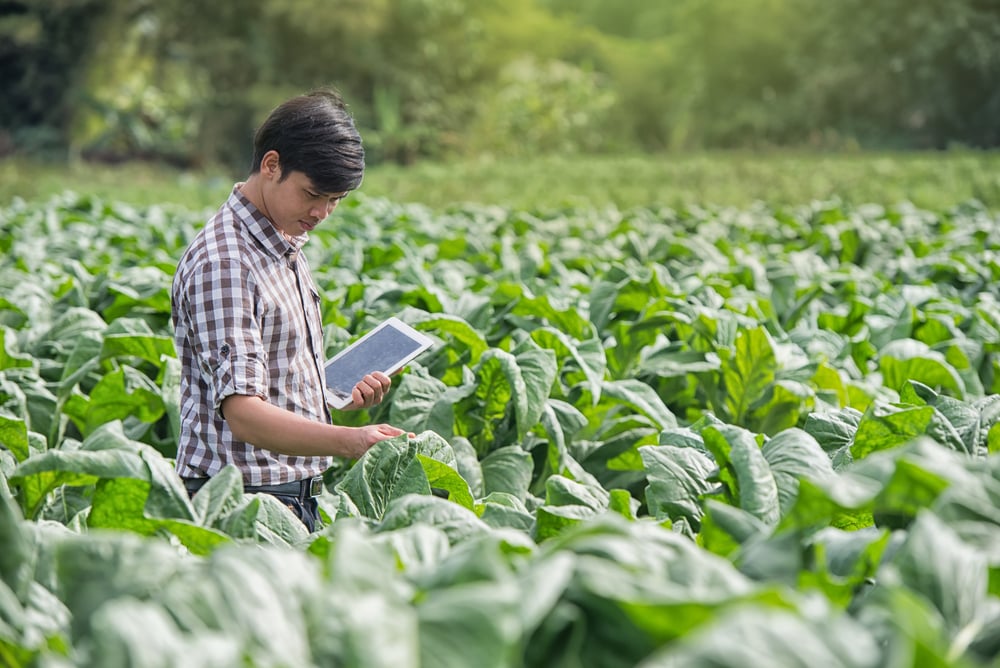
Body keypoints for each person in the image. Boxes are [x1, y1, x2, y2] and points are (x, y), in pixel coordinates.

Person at [171, 90, 408, 531]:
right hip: (242, 509)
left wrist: (332, 396)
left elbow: (272, 379)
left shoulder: (282, 243)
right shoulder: (227, 262)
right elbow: (243, 413)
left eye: (335, 200)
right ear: (271, 165)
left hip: (287, 500)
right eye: (313, 194)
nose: (322, 212)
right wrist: (349, 441)